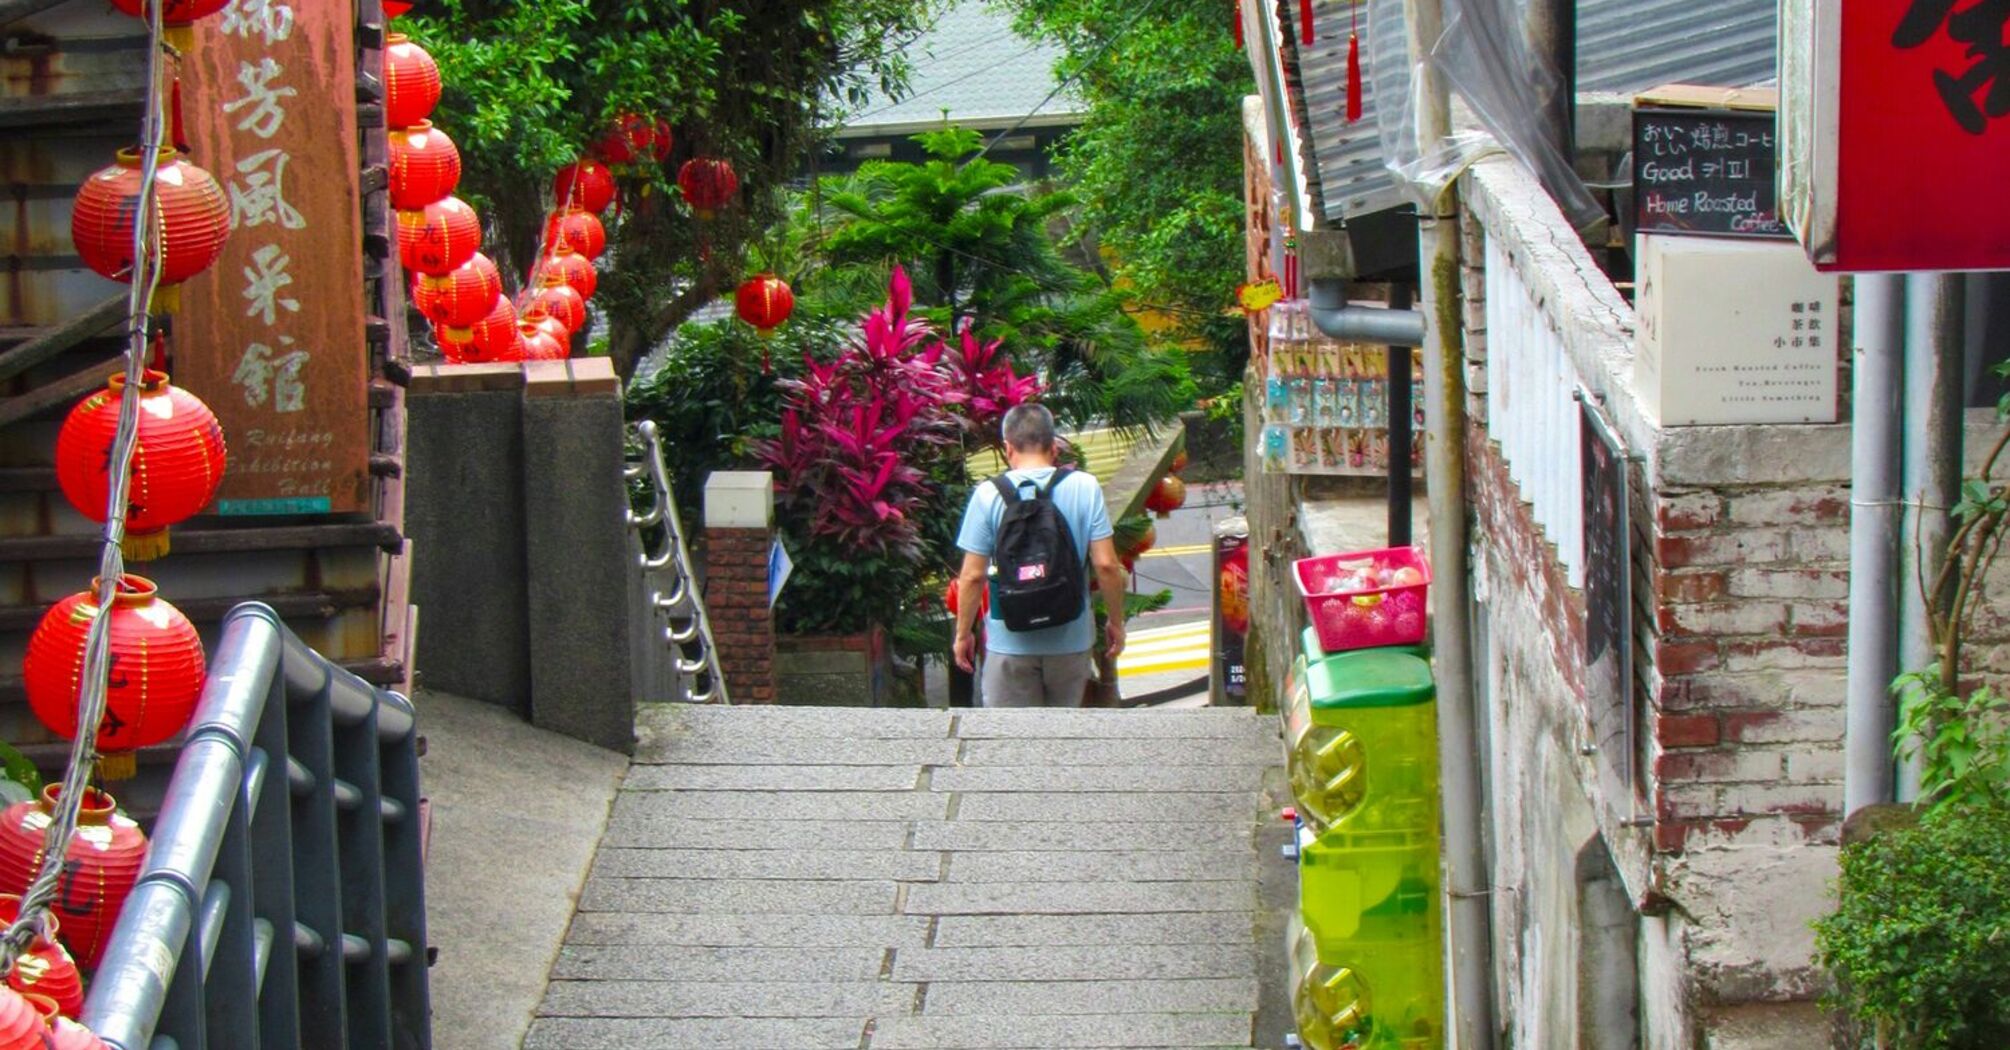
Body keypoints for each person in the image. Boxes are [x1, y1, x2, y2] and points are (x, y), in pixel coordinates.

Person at [952, 403, 1130, 707]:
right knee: (1060, 740)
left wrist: (963, 634)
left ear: (1008, 448)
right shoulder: (1085, 488)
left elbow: (972, 576)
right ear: (1054, 447)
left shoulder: (987, 494)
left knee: (1013, 742)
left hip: (1009, 643)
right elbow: (1106, 564)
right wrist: (1116, 622)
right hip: (1070, 641)